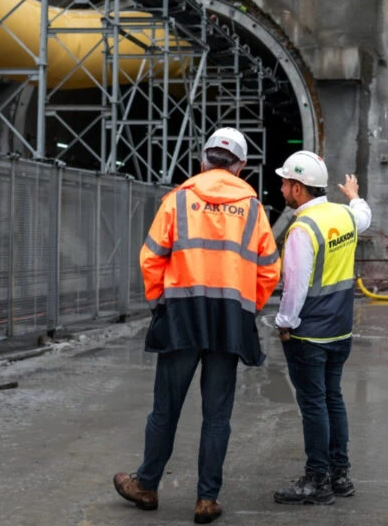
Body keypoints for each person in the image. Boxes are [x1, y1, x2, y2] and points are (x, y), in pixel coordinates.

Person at [113, 127, 281, 525]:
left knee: (165, 410)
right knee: (217, 415)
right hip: (229, 320)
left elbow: (151, 257)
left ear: (203, 160)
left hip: (182, 316)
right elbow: (269, 269)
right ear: (240, 168)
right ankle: (206, 500)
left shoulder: (178, 200)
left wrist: (159, 304)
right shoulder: (254, 209)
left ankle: (147, 485)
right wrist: (246, 308)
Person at [272, 150, 371, 506]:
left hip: (309, 335)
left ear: (298, 189)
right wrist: (354, 194)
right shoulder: (344, 216)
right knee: (333, 399)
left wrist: (284, 324)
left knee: (314, 405)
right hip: (340, 331)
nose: (282, 187)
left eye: (286, 182)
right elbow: (364, 216)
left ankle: (317, 480)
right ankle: (340, 475)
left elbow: (295, 287)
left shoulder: (302, 229)